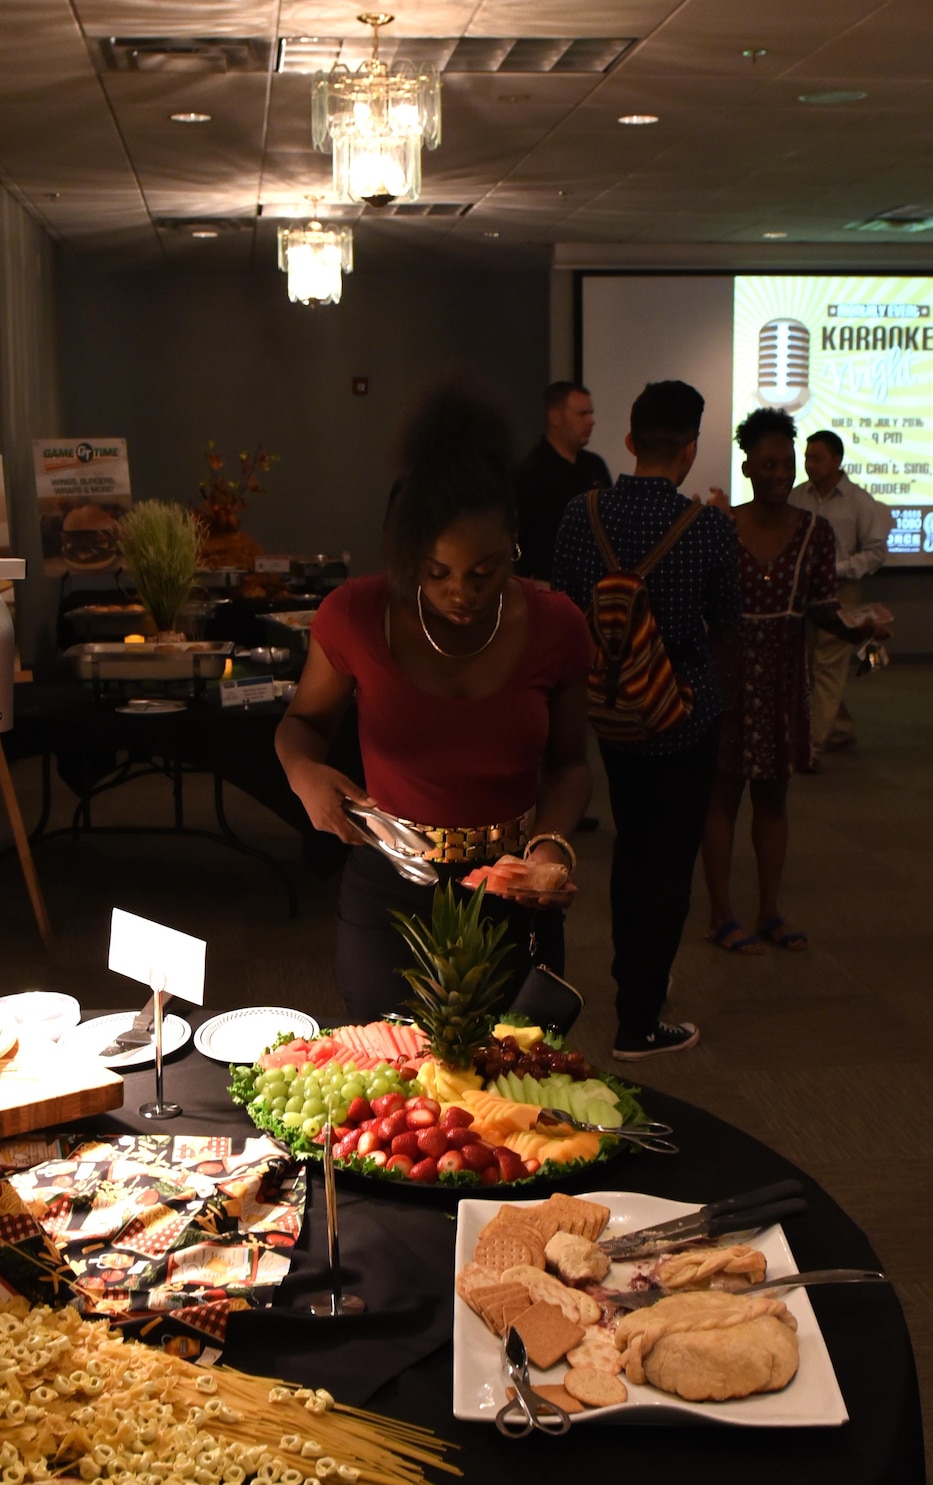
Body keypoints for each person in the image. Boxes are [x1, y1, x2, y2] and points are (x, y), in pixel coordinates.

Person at [275, 383, 592, 1023]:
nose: (461, 595)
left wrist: (553, 844)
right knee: (391, 1079)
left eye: (485, 572)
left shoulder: (556, 624)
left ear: (515, 549)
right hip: (391, 878)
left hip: (511, 885)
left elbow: (569, 763)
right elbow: (301, 725)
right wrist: (303, 774)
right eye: (436, 572)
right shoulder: (356, 616)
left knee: (509, 1080)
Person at [550, 379, 741, 1060]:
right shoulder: (712, 526)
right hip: (683, 714)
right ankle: (640, 1018)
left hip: (609, 713)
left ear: (628, 441)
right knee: (669, 861)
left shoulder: (582, 513)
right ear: (689, 449)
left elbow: (566, 608)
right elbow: (726, 623)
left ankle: (629, 981)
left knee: (632, 849)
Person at [701, 410, 893, 954]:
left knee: (774, 801)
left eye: (788, 463)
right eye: (769, 463)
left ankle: (769, 912)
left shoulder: (816, 531)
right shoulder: (720, 527)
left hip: (783, 680)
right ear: (748, 467)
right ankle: (720, 915)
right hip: (728, 679)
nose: (782, 473)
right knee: (720, 800)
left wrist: (865, 628)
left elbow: (823, 608)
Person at [790, 429, 892, 764]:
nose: (809, 464)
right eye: (806, 457)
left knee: (828, 665)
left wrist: (840, 568)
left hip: (841, 590)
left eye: (816, 457)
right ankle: (840, 728)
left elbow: (876, 553)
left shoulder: (859, 501)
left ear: (837, 460)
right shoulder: (796, 497)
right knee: (808, 666)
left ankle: (811, 745)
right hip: (801, 592)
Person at [514, 381, 612, 584]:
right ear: (555, 417)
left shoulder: (595, 466)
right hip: (549, 589)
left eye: (591, 413)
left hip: (598, 588)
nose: (591, 421)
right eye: (582, 414)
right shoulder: (530, 473)